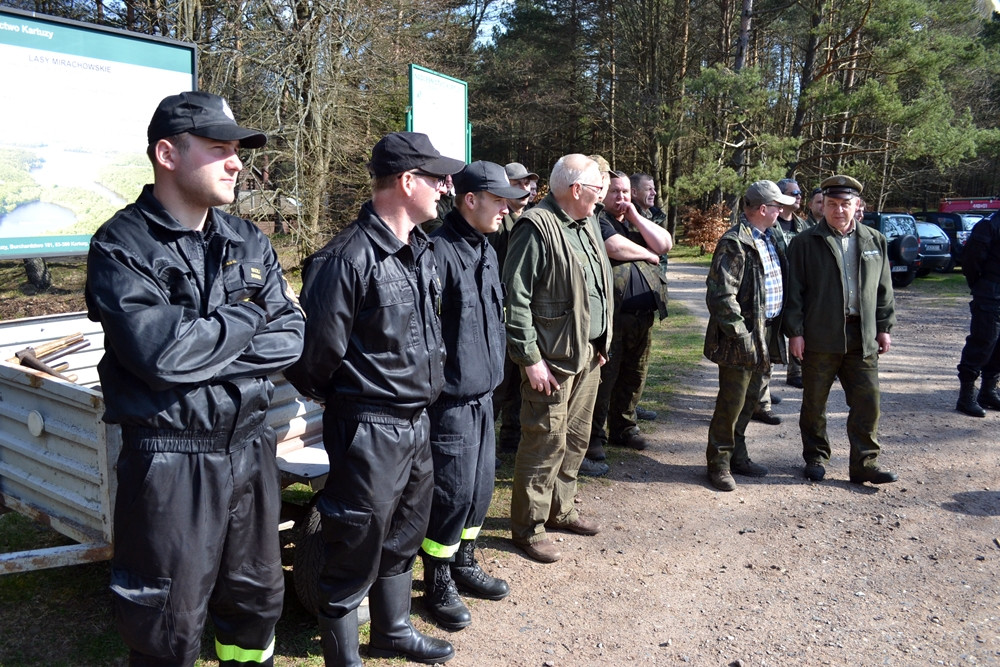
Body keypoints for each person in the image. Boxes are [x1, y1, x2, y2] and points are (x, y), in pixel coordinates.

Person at [85, 91, 305, 666]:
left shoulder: (248, 240)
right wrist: (252, 314)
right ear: (167, 153)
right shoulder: (121, 245)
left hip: (251, 451)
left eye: (237, 150)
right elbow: (162, 355)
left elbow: (293, 336)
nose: (237, 163)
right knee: (166, 622)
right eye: (219, 150)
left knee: (256, 603)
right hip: (170, 463)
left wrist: (206, 341)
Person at [284, 131, 464, 666]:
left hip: (416, 422)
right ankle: (344, 659)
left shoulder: (422, 252)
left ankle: (393, 631)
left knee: (405, 532)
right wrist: (356, 404)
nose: (445, 187)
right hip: (368, 428)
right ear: (407, 182)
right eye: (435, 178)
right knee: (354, 543)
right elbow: (313, 359)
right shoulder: (345, 260)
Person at [420, 161, 525, 629]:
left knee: (479, 491)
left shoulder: (484, 248)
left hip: (484, 398)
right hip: (450, 404)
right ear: (470, 200)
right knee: (450, 494)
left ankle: (465, 560)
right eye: (499, 199)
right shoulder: (437, 253)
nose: (507, 207)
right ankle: (437, 577)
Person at [503, 153, 613, 563]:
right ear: (575, 189)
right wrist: (530, 358)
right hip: (551, 359)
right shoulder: (537, 227)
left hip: (588, 354)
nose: (601, 196)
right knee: (544, 440)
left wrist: (602, 343)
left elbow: (598, 289)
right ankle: (528, 527)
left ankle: (561, 509)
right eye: (597, 189)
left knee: (577, 437)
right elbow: (515, 299)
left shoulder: (586, 224)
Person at [784, 175, 899, 485]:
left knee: (868, 401)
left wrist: (884, 326)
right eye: (832, 204)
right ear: (824, 206)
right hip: (820, 336)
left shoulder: (875, 240)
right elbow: (793, 292)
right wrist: (795, 332)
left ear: (857, 205)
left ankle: (865, 463)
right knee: (814, 403)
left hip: (861, 337)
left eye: (845, 204)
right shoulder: (805, 243)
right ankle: (816, 457)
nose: (838, 210)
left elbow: (883, 289)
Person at [704, 181, 792, 491]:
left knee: (751, 400)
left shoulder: (770, 238)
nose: (782, 210)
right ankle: (718, 464)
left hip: (765, 333)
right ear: (763, 209)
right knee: (732, 402)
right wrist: (740, 335)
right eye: (777, 206)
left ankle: (737, 455)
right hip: (741, 337)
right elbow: (720, 296)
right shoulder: (734, 242)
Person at [588, 171, 671, 461]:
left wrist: (636, 217)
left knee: (635, 375)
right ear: (603, 194)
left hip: (642, 314)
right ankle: (594, 435)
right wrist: (647, 256)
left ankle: (623, 427)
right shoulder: (597, 219)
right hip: (614, 316)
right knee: (606, 377)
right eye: (614, 192)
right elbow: (613, 246)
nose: (621, 197)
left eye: (625, 192)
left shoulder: (640, 218)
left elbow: (664, 244)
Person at [490, 162, 540, 453]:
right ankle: (489, 445)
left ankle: (511, 440)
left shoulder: (533, 219)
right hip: (500, 312)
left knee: (519, 386)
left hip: (524, 312)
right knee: (499, 385)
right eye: (516, 183)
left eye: (526, 183)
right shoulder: (494, 221)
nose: (524, 188)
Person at [757, 177, 812, 404]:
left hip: (796, 289)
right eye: (794, 192)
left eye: (800, 192)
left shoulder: (803, 226)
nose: (799, 195)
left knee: (794, 336)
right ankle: (761, 394)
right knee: (767, 344)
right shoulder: (770, 226)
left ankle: (790, 376)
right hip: (775, 292)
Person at [629, 171, 671, 421]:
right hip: (627, 300)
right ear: (634, 192)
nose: (654, 192)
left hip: (648, 297)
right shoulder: (626, 218)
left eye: (654, 188)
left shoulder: (653, 217)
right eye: (648, 188)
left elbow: (664, 247)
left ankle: (632, 406)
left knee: (640, 364)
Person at [955, 211, 1000, 416]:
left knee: (999, 346)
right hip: (990, 295)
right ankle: (966, 397)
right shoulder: (989, 224)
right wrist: (981, 286)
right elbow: (971, 261)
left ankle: (989, 391)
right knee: (983, 342)